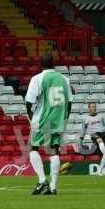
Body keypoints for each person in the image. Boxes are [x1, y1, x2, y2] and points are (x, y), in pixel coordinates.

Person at [25, 53, 73, 195]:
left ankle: (42, 180)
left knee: (33, 148)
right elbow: (69, 102)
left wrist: (31, 117)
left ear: (41, 64)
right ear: (54, 63)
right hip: (58, 120)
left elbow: (29, 101)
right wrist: (64, 119)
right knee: (54, 151)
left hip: (42, 119)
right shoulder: (64, 79)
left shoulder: (38, 78)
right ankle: (53, 187)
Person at [80, 102, 105, 176]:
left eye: (94, 107)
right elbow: (83, 130)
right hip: (93, 134)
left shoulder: (101, 116)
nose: (93, 108)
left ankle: (99, 171)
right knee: (99, 141)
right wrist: (81, 139)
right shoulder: (85, 118)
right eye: (91, 107)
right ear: (88, 108)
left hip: (103, 134)